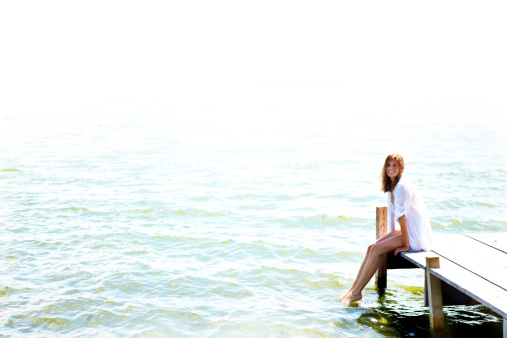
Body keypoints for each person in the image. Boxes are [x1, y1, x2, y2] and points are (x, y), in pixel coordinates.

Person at [338, 153, 433, 303]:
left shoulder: (401, 187)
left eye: (395, 165)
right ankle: (352, 289)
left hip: (414, 235)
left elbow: (402, 217)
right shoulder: (392, 186)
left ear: (401, 168)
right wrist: (389, 238)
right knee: (372, 247)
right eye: (388, 165)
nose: (391, 168)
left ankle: (356, 293)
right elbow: (392, 215)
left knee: (376, 250)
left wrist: (405, 245)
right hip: (406, 230)